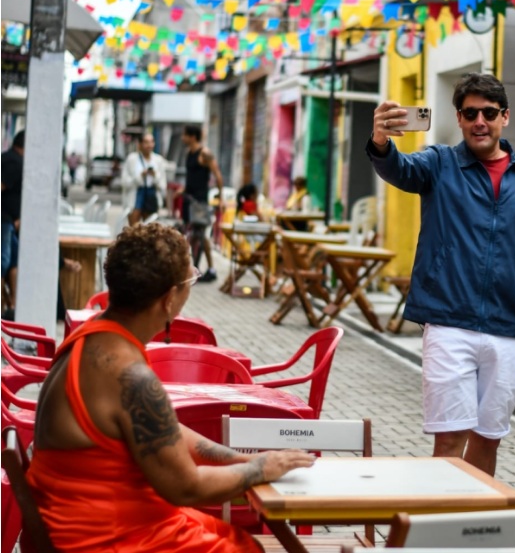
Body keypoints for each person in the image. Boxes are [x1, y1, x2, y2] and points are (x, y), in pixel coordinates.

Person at [27, 223, 315, 551]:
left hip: (85, 523)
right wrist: (259, 469)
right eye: (188, 281)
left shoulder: (94, 335)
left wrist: (238, 459)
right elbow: (186, 487)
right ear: (168, 299)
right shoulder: (129, 375)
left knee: (230, 534)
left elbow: (165, 433)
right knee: (246, 547)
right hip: (105, 540)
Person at [366, 73, 515, 477]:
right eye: (470, 113)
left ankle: (472, 530)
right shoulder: (439, 163)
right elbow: (400, 169)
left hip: (505, 330)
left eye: (488, 112)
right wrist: (381, 143)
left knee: (488, 439)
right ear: (460, 119)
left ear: (505, 117)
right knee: (450, 438)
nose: (479, 121)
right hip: (449, 325)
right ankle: (438, 536)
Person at [180, 125, 222, 283]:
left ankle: (211, 269)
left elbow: (217, 174)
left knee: (201, 234)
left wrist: (221, 197)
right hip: (188, 199)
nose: (182, 138)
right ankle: (188, 268)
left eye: (184, 135)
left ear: (192, 136)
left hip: (199, 201)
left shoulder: (204, 153)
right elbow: (192, 177)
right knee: (189, 234)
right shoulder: (188, 153)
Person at [1, 130, 24, 321]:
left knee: (13, 263)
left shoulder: (11, 159)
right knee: (3, 263)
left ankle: (13, 305)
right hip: (4, 220)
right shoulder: (13, 162)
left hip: (10, 221)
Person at [122, 133, 169, 226]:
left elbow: (163, 185)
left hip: (152, 193)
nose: (149, 145)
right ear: (140, 144)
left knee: (150, 228)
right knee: (133, 227)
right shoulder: (132, 159)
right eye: (146, 142)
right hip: (136, 193)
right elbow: (124, 182)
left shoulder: (158, 160)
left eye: (151, 142)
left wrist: (155, 175)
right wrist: (140, 176)